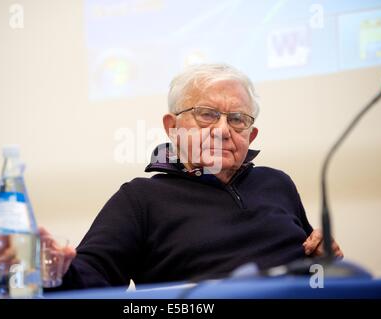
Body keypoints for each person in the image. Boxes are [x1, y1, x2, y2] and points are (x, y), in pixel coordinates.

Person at [41, 63, 343, 290]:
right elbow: (92, 276)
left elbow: (313, 264)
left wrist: (324, 261)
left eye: (237, 119)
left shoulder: (278, 183)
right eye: (206, 114)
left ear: (251, 135)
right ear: (172, 126)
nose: (223, 130)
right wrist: (59, 273)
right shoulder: (140, 199)